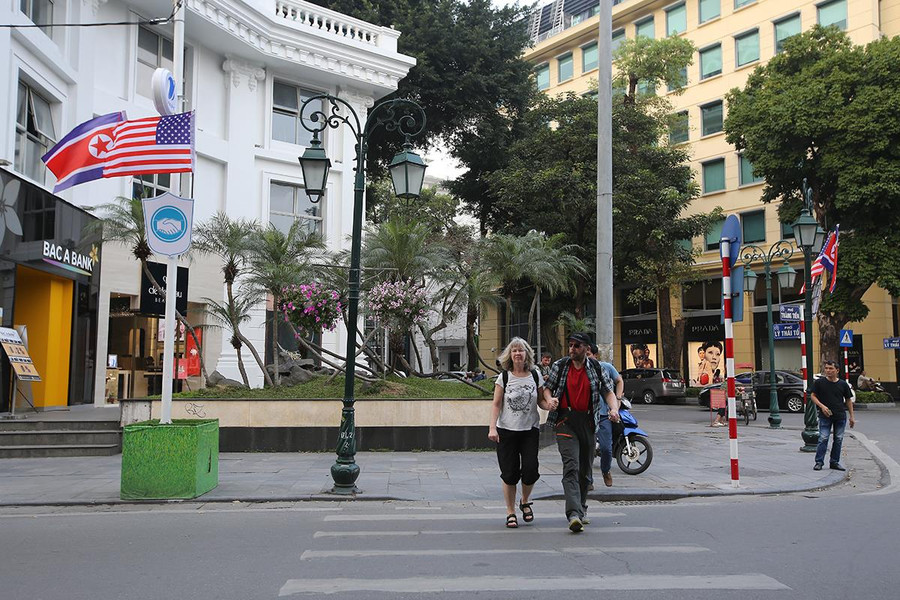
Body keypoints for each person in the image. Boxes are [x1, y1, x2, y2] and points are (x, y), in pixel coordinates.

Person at [543, 332, 619, 533]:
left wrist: (614, 409)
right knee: (571, 466)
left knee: (585, 471)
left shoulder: (595, 368)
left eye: (577, 346)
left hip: (588, 422)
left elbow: (608, 392)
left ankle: (582, 507)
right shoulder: (560, 366)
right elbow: (547, 389)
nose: (572, 349)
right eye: (570, 345)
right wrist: (550, 400)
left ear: (586, 348)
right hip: (565, 421)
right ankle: (573, 514)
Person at [488, 337, 557, 529]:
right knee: (509, 473)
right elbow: (495, 404)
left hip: (529, 431)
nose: (518, 353)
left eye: (521, 350)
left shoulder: (535, 375)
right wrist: (492, 428)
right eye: (514, 350)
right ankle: (510, 512)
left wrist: (549, 405)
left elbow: (541, 401)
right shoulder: (505, 377)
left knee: (530, 469)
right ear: (510, 355)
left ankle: (525, 500)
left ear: (527, 354)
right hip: (506, 431)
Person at [811, 360, 856, 471]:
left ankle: (834, 462)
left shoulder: (843, 384)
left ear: (837, 370)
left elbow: (848, 400)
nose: (828, 371)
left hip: (840, 416)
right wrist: (822, 406)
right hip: (824, 415)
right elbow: (813, 396)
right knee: (823, 438)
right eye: (826, 368)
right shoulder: (819, 383)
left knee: (838, 439)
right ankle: (819, 462)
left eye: (831, 368)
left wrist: (852, 416)